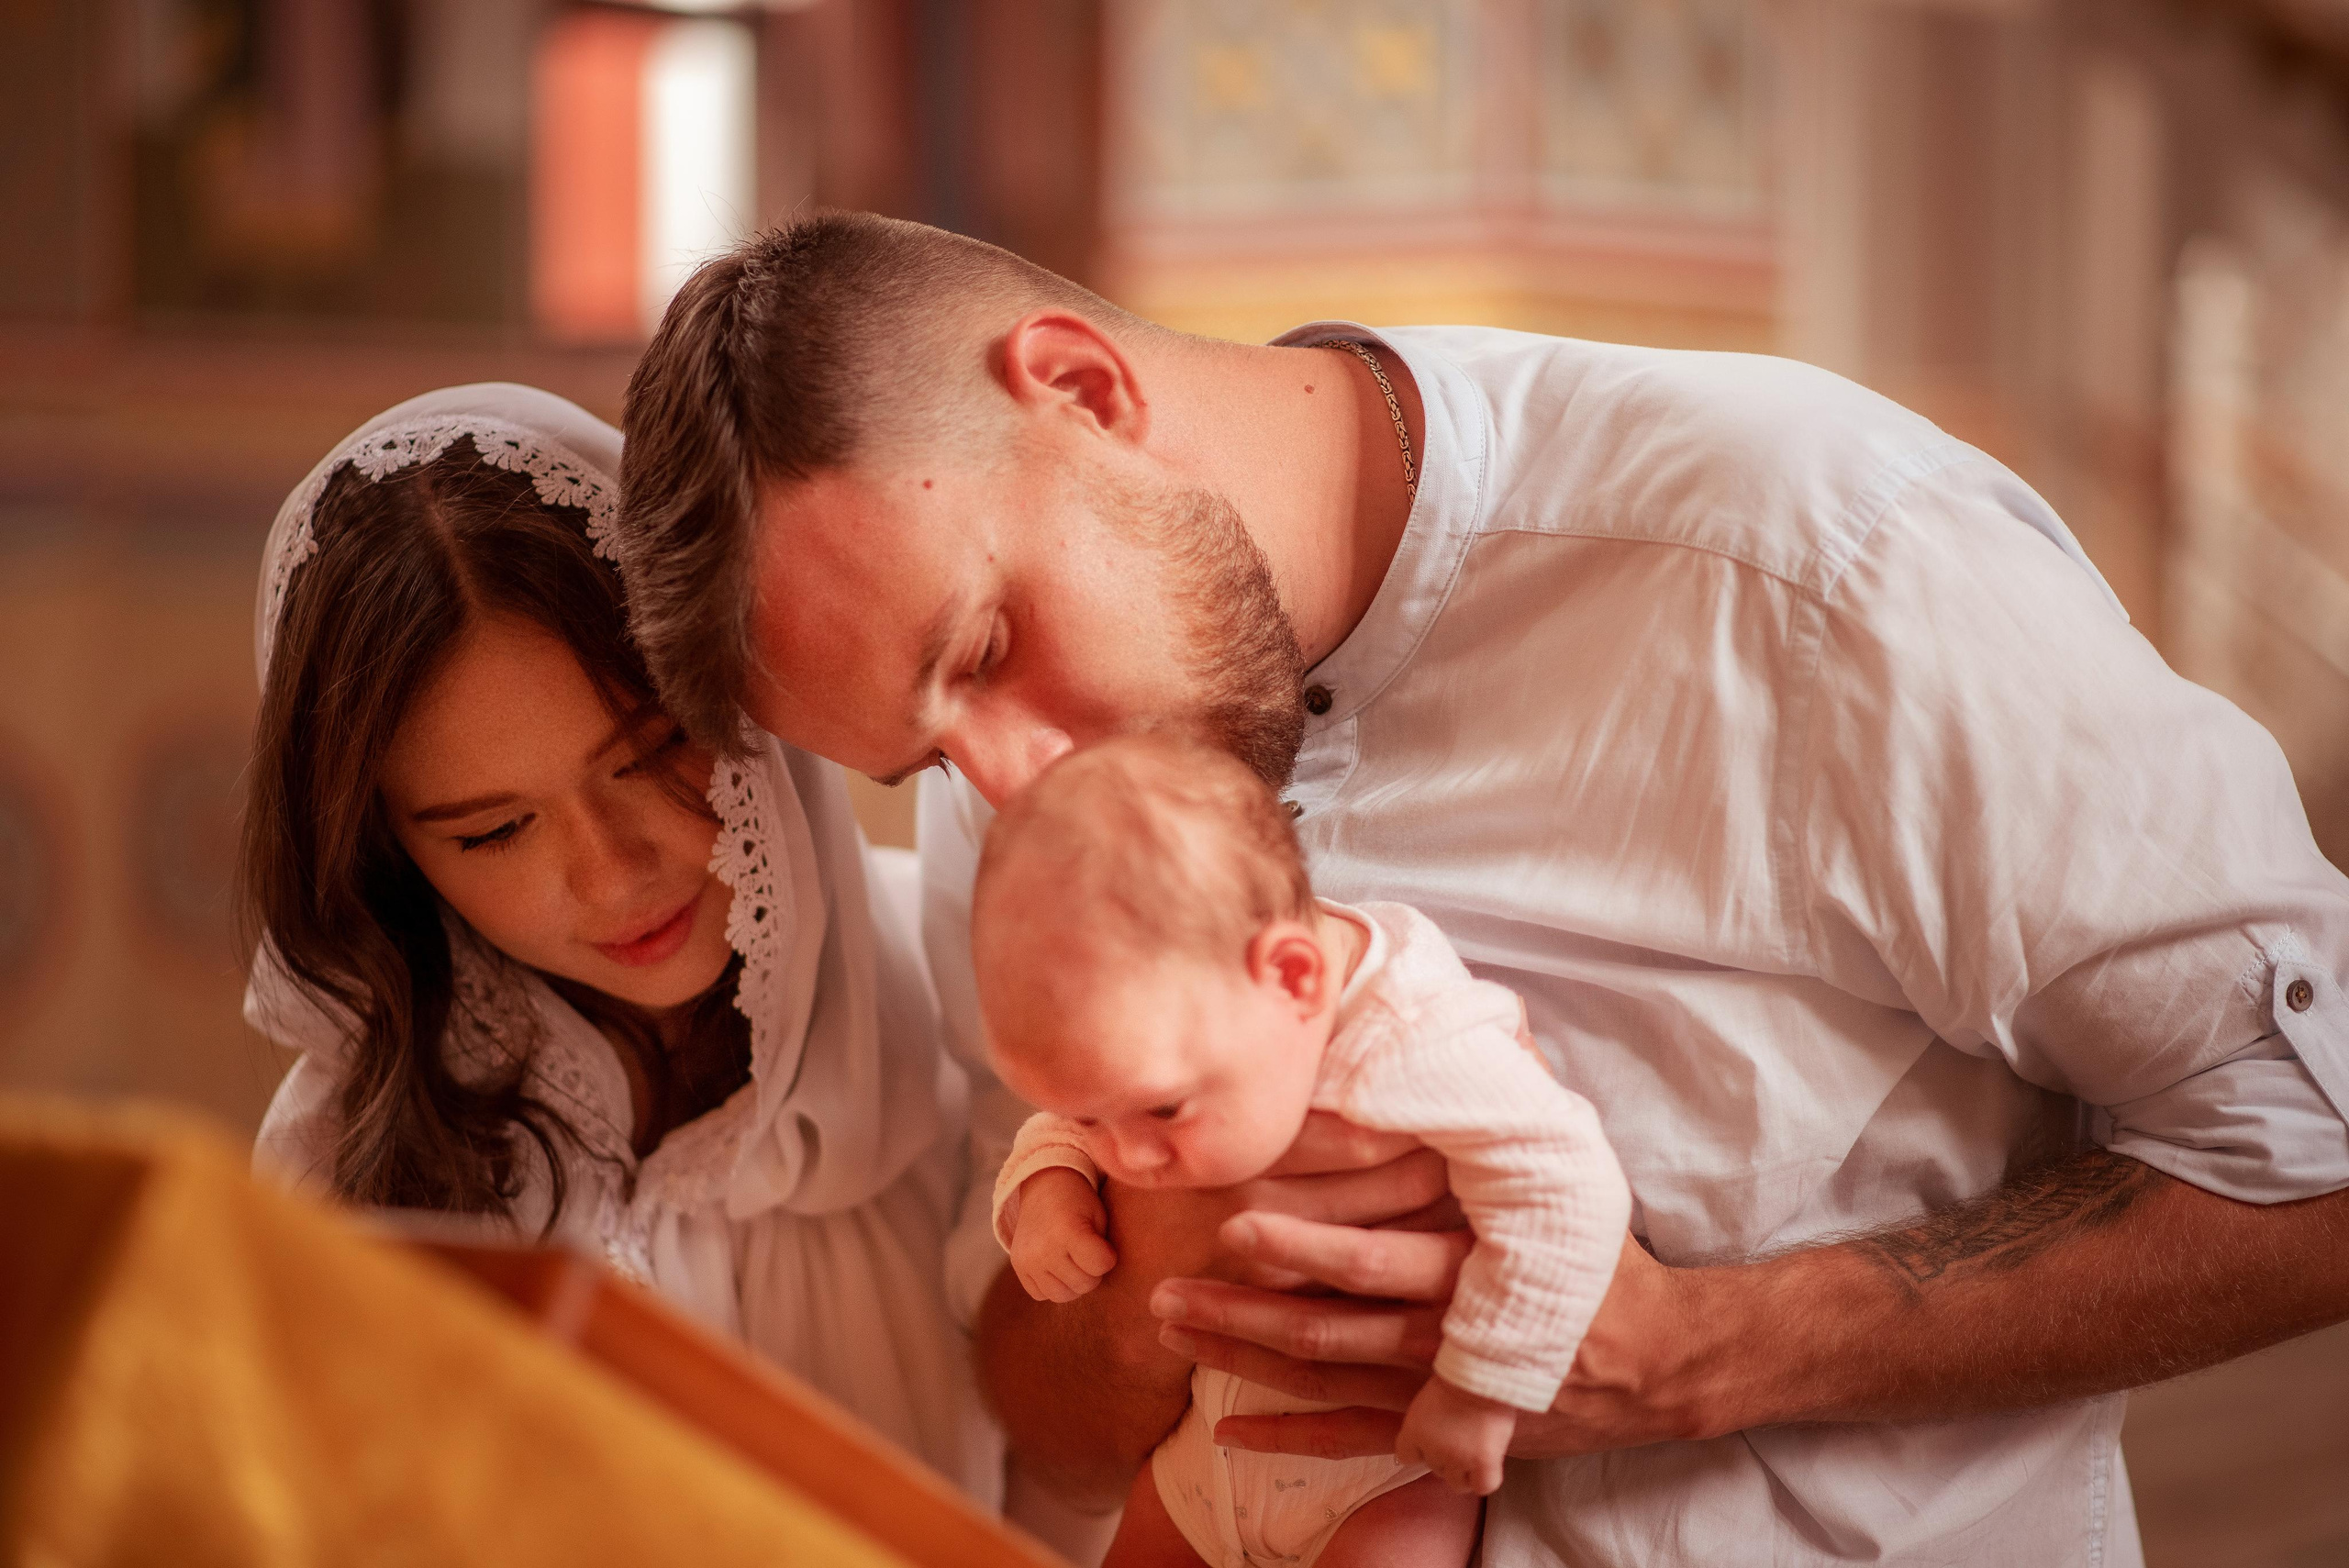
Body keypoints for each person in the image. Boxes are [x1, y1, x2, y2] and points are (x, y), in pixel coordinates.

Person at [607, 213, 2349, 1567]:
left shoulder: (1822, 563)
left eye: (986, 645)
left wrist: (1714, 1347)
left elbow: (2319, 1157)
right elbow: (1036, 1399)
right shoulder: (1048, 799)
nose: (1012, 783)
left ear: (1082, 386)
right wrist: (1151, 1267)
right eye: (923, 762)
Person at [240, 384, 997, 1505]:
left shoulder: (962, 1015)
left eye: (648, 754)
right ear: (390, 855)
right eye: (494, 830)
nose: (611, 873)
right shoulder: (339, 1166)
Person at [979, 735, 1631, 1564]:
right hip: (1202, 1452)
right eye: (1093, 1121)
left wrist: (1481, 1390)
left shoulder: (1424, 1036)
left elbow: (1572, 1189)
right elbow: (1085, 1106)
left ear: (1292, 979)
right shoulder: (1191, 1022)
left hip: (1383, 1474)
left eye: (1161, 1109)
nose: (1130, 1161)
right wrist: (1049, 1180)